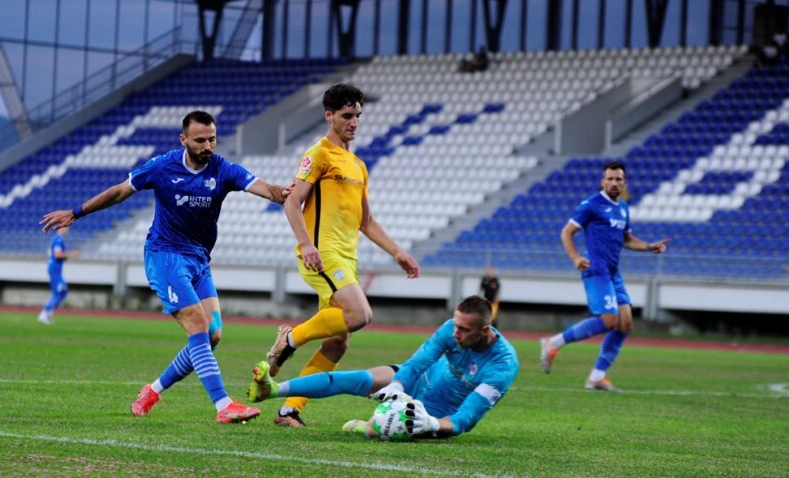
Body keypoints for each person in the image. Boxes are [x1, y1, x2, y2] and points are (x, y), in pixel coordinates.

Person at [40, 110, 288, 424]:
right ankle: (223, 404)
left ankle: (153, 390)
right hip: (165, 256)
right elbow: (119, 191)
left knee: (212, 335)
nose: (207, 145)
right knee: (198, 327)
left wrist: (285, 194)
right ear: (183, 140)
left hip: (199, 259)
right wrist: (76, 212)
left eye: (212, 138)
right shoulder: (162, 166)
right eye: (200, 140)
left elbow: (266, 189)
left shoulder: (223, 169)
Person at [265, 83, 420, 427]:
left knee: (338, 344)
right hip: (322, 254)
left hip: (347, 258)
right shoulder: (318, 154)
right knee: (361, 313)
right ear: (329, 116)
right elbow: (292, 201)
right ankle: (288, 340)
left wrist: (398, 252)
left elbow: (366, 220)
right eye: (347, 115)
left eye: (358, 116)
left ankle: (289, 410)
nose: (354, 122)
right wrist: (306, 244)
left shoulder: (358, 166)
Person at [247, 295, 518, 440]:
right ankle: (271, 390)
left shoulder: (502, 366)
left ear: (485, 330)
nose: (455, 332)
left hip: (434, 413)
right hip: (419, 380)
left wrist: (432, 423)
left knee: (380, 430)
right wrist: (397, 388)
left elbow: (466, 418)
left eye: (463, 329)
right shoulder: (451, 329)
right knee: (355, 378)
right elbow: (416, 364)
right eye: (455, 325)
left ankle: (363, 426)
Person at [539, 161, 668, 391]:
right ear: (603, 181)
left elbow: (627, 239)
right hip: (595, 268)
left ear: (624, 183)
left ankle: (597, 377)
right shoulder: (591, 205)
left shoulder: (623, 208)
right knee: (610, 320)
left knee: (625, 323)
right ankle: (553, 342)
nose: (614, 182)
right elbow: (567, 232)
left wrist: (650, 246)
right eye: (610, 178)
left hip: (612, 271)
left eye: (619, 179)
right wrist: (576, 258)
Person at [37, 226, 79, 325]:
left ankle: (47, 312)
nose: (68, 229)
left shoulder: (57, 239)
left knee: (63, 291)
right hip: (54, 269)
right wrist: (71, 254)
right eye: (66, 227)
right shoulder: (58, 240)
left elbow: (58, 255)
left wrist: (66, 256)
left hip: (56, 269)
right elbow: (57, 255)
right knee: (58, 291)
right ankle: (44, 314)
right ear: (60, 228)